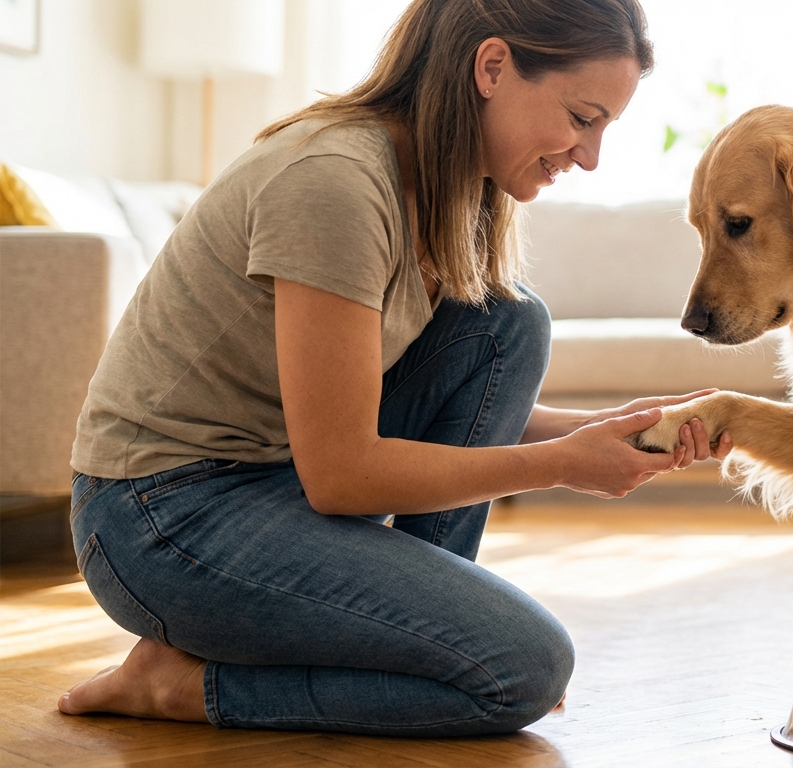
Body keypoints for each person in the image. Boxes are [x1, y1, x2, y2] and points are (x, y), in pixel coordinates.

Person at [59, 0, 726, 737]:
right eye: (581, 116)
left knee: (506, 322)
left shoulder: (456, 184)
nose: (590, 154)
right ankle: (181, 687)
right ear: (493, 67)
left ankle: (420, 643)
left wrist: (604, 430)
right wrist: (559, 466)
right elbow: (343, 471)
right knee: (522, 672)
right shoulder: (334, 183)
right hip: (161, 519)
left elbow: (415, 401)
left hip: (275, 479)